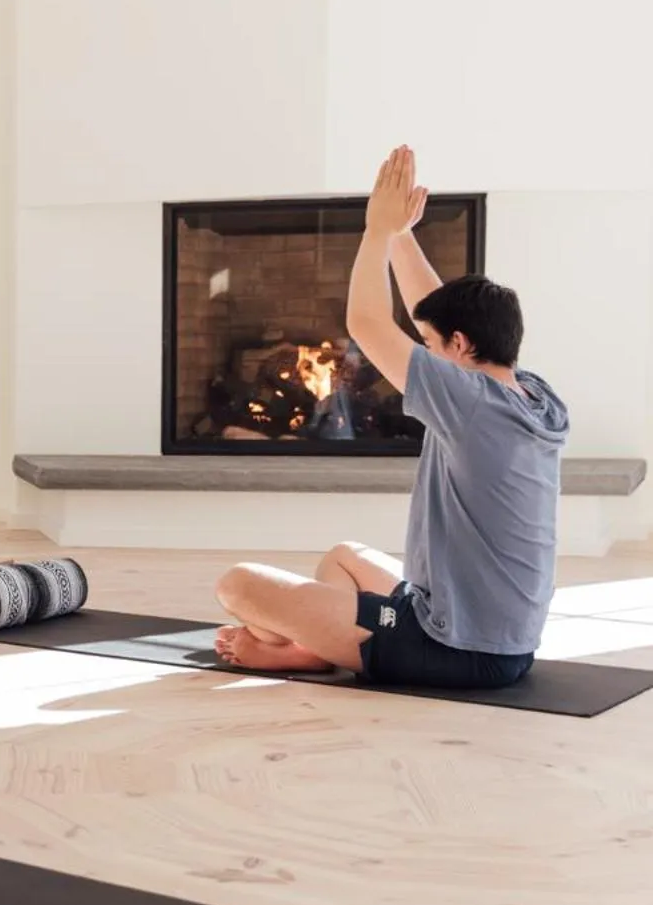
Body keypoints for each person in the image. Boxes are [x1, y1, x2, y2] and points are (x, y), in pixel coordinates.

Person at [214, 145, 569, 690]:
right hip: (495, 636)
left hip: (452, 645)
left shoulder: (471, 404)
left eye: (430, 344)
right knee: (346, 558)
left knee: (239, 585)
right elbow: (436, 308)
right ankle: (315, 650)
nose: (422, 353)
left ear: (460, 345)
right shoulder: (530, 395)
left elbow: (365, 320)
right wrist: (403, 234)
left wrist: (375, 231)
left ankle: (304, 651)